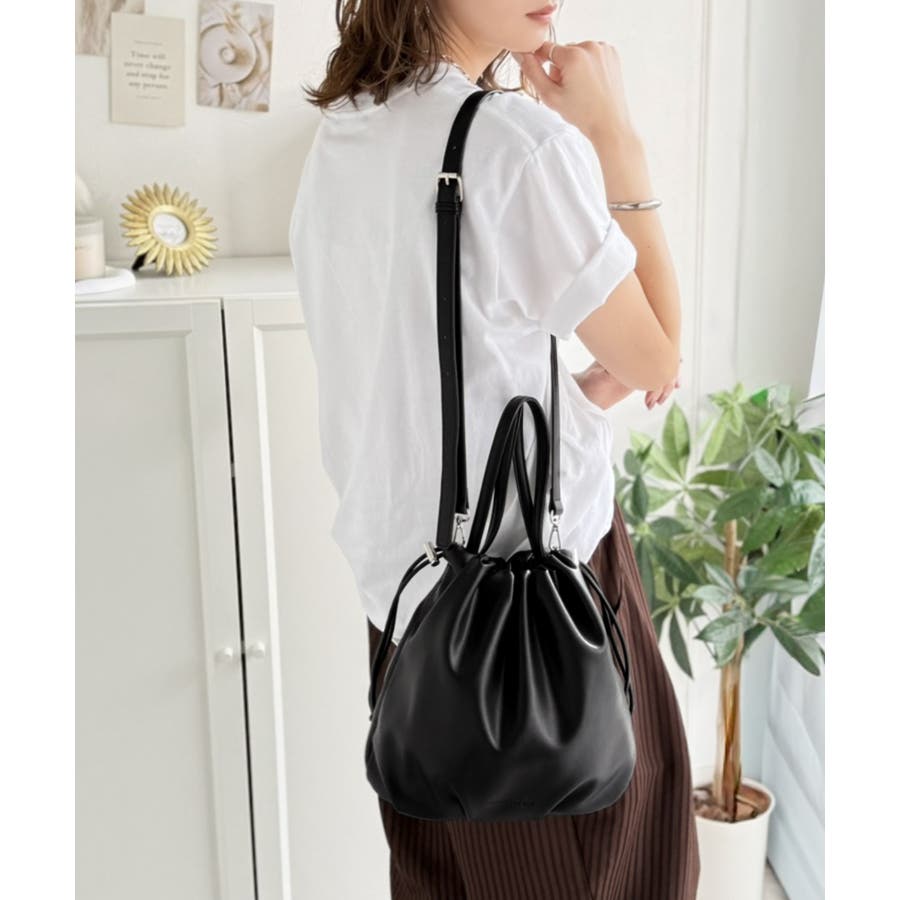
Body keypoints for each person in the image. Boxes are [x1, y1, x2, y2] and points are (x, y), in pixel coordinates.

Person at [289, 2, 699, 897]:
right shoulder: (514, 144)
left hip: (408, 611)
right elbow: (660, 356)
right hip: (539, 614)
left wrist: (572, 396)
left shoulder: (349, 128)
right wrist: (614, 136)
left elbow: (414, 372)